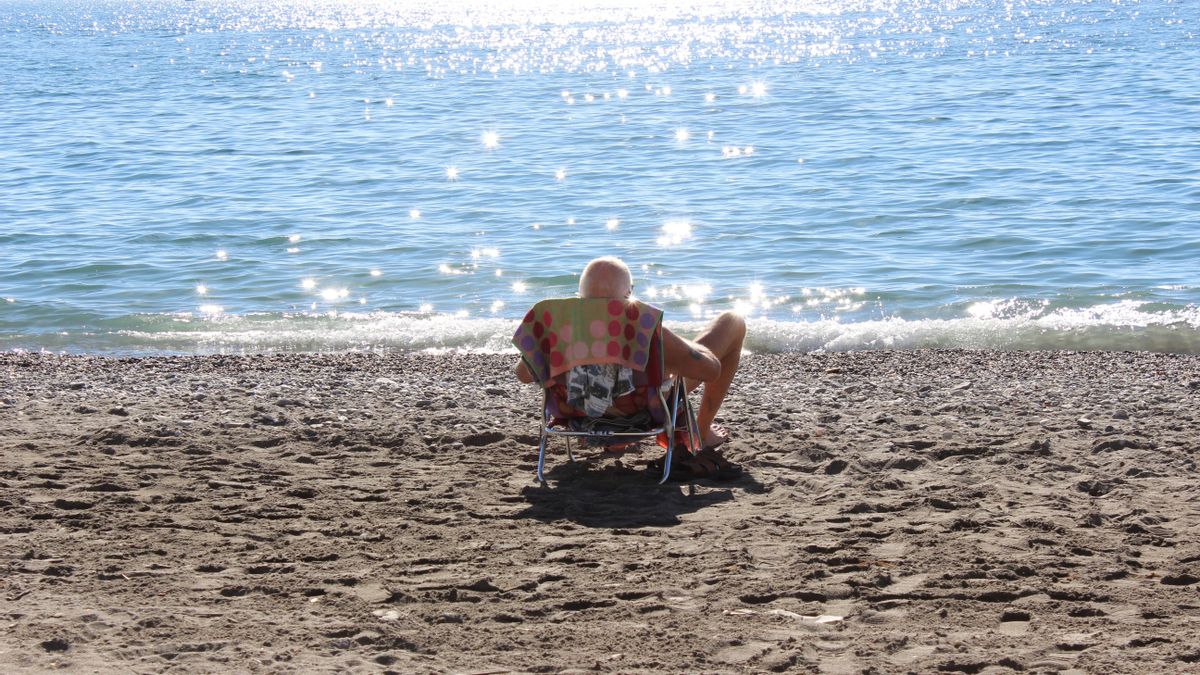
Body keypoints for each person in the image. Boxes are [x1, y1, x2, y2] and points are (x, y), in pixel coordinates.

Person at [516, 256, 745, 477]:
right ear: (629, 293)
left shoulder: (558, 333)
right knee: (733, 321)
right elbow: (711, 369)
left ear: (580, 296)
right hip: (641, 411)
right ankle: (702, 434)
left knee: (611, 379)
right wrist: (671, 341)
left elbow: (523, 374)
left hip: (582, 413)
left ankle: (615, 439)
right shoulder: (642, 330)